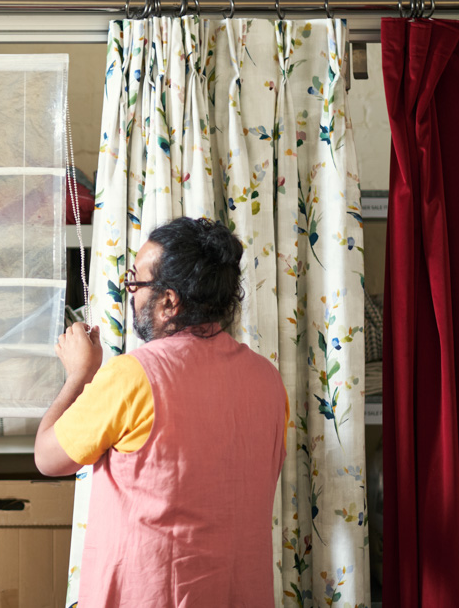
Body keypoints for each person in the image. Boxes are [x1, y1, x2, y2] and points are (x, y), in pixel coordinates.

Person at [35, 217, 287, 607]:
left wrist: (80, 373)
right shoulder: (267, 379)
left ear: (169, 302)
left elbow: (48, 458)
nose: (130, 293)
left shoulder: (134, 375)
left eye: (135, 282)